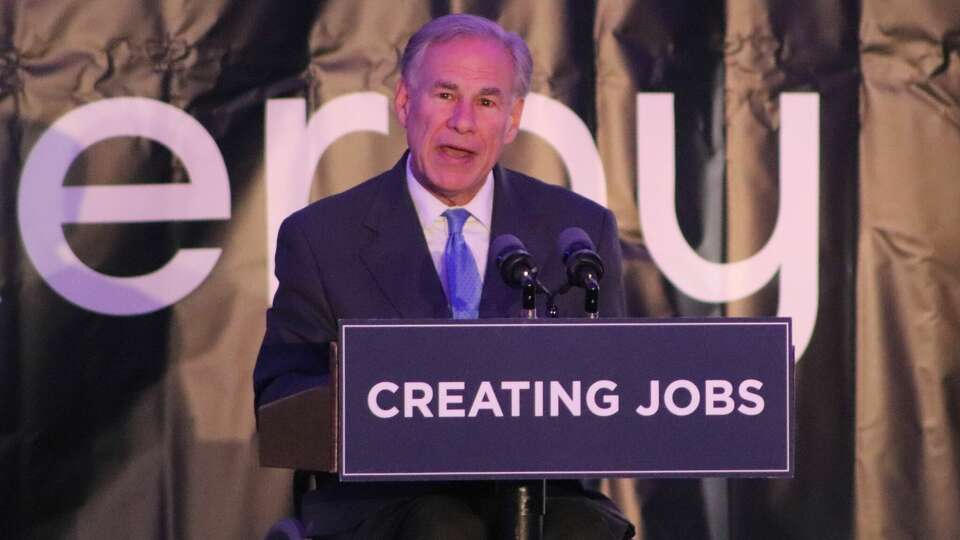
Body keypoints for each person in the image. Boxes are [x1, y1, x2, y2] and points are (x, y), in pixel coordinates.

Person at [255, 13, 634, 540]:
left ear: (512, 118)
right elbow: (282, 391)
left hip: (537, 492)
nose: (463, 121)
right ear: (406, 102)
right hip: (381, 498)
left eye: (486, 101)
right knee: (443, 526)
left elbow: (611, 386)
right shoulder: (323, 236)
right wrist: (384, 400)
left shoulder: (576, 231)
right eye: (445, 94)